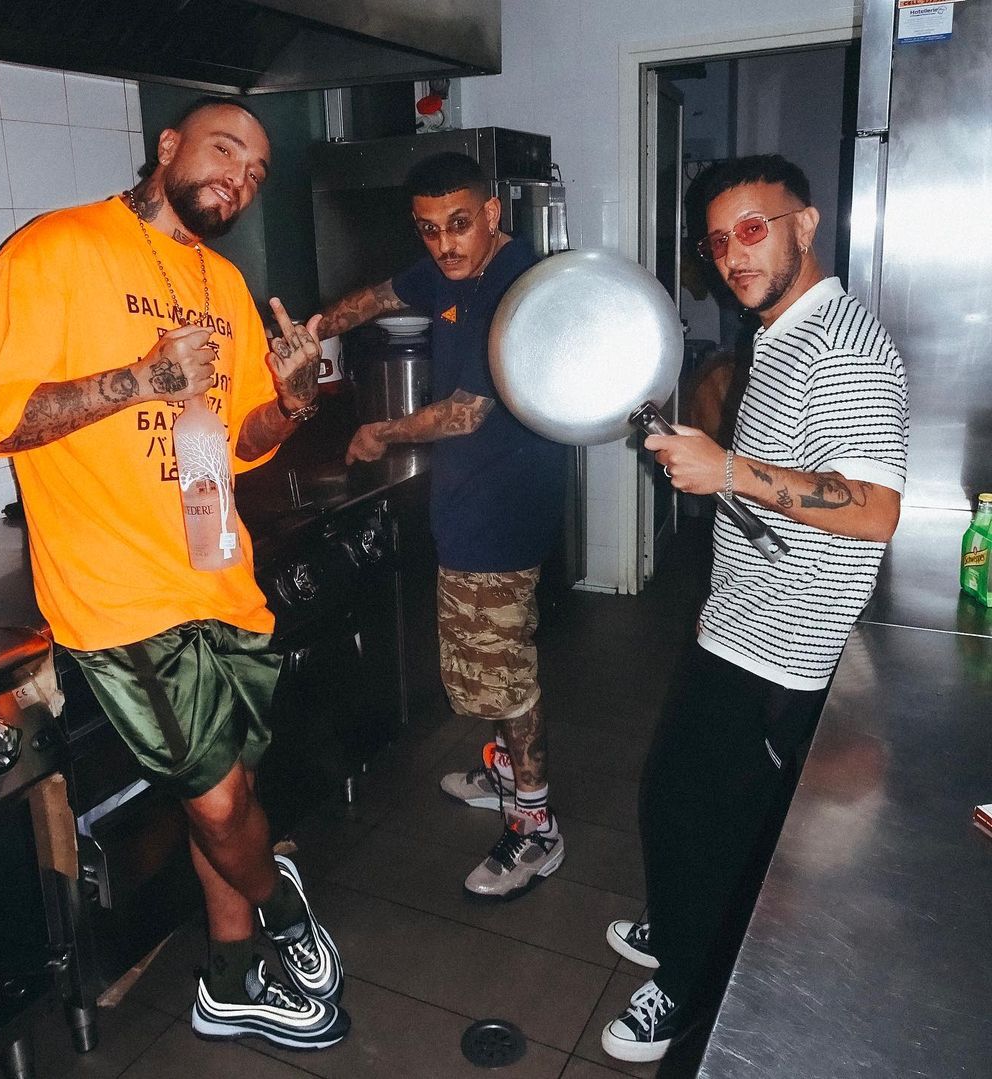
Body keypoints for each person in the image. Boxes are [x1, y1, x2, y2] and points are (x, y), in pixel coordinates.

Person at [0, 97, 350, 1051]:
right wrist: (140, 379)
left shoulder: (223, 280)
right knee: (220, 801)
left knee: (227, 795)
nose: (240, 179)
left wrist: (293, 403)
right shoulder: (51, 251)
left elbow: (242, 439)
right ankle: (281, 902)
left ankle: (229, 979)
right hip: (121, 596)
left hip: (221, 576)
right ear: (168, 146)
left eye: (256, 171)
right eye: (225, 150)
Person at [601, 154, 909, 1063]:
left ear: (803, 226)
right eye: (718, 241)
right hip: (744, 619)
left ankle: (687, 986)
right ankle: (682, 923)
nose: (734, 255)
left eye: (752, 229)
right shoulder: (780, 331)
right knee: (679, 799)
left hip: (784, 647)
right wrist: (713, 473)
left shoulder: (845, 346)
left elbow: (874, 509)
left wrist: (728, 468)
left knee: (695, 813)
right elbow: (779, 489)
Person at [315, 152, 568, 899]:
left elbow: (465, 413)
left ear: (491, 214)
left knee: (507, 676)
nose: (444, 243)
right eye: (428, 229)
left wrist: (379, 433)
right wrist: (312, 330)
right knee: (488, 665)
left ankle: (536, 826)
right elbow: (381, 296)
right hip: (469, 506)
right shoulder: (449, 270)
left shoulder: (515, 289)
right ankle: (506, 776)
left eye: (459, 224)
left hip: (503, 512)